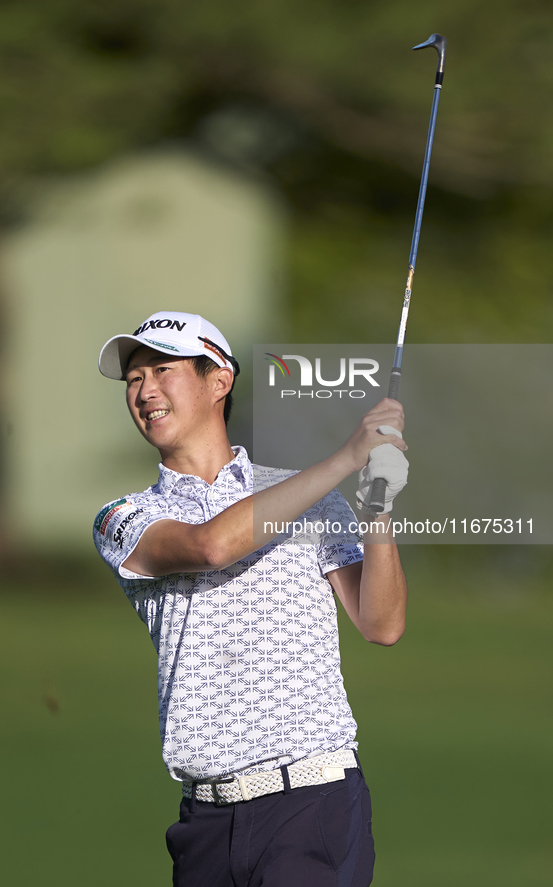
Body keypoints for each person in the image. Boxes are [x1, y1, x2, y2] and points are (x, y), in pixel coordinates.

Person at [93, 310, 409, 887]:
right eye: (134, 380)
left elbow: (381, 623)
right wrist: (344, 459)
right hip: (205, 821)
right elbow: (212, 546)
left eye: (163, 370)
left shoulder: (311, 498)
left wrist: (378, 505)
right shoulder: (124, 518)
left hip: (311, 802)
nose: (145, 392)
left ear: (220, 379)